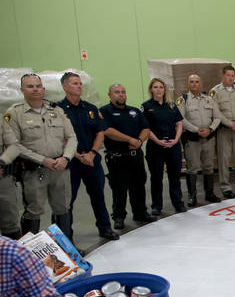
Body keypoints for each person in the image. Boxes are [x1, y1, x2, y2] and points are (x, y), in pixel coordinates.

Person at [5, 74, 76, 238]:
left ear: (43, 89)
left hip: (60, 169)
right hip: (34, 171)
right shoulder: (14, 113)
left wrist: (66, 157)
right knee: (34, 210)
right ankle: (29, 252)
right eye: (30, 86)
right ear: (22, 90)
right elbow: (14, 144)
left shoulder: (56, 111)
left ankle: (65, 250)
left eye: (38, 86)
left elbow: (71, 137)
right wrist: (42, 160)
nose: (35, 89)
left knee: (62, 208)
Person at [54, 71, 119, 241]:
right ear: (65, 86)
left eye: (80, 83)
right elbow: (58, 138)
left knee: (98, 194)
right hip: (71, 161)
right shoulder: (58, 110)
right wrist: (76, 155)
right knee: (67, 201)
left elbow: (100, 132)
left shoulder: (90, 109)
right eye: (75, 83)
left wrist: (91, 153)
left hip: (91, 159)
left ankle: (105, 228)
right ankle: (67, 238)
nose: (79, 86)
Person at [100, 83, 155, 230]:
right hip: (117, 158)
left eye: (123, 92)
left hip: (135, 155)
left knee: (139, 185)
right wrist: (129, 139)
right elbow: (107, 130)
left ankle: (140, 212)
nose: (121, 95)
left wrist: (139, 141)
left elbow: (146, 128)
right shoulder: (105, 111)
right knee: (119, 188)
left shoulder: (134, 111)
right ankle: (119, 217)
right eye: (117, 92)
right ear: (110, 95)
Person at [142, 78, 186, 214]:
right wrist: (158, 141)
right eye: (155, 87)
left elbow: (179, 123)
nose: (159, 90)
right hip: (156, 147)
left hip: (173, 145)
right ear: (151, 90)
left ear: (164, 90)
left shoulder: (171, 105)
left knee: (175, 176)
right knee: (156, 177)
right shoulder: (146, 106)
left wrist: (176, 140)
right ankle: (156, 206)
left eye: (161, 87)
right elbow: (146, 128)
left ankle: (178, 203)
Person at [177, 74, 222, 205]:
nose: (194, 84)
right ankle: (192, 196)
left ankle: (210, 193)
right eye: (192, 82)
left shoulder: (209, 99)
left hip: (208, 138)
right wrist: (197, 130)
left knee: (208, 166)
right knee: (193, 167)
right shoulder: (183, 100)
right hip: (192, 139)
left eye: (197, 82)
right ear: (188, 84)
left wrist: (211, 129)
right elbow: (180, 119)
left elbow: (218, 117)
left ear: (201, 84)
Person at [212, 65, 235, 197]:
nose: (230, 78)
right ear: (222, 76)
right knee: (224, 159)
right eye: (228, 75)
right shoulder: (215, 91)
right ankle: (225, 186)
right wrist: (230, 123)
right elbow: (216, 111)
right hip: (224, 128)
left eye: (232, 75)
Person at [0, 124, 19, 239]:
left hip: (2, 178)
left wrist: (2, 162)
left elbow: (14, 146)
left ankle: (14, 254)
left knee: (10, 221)